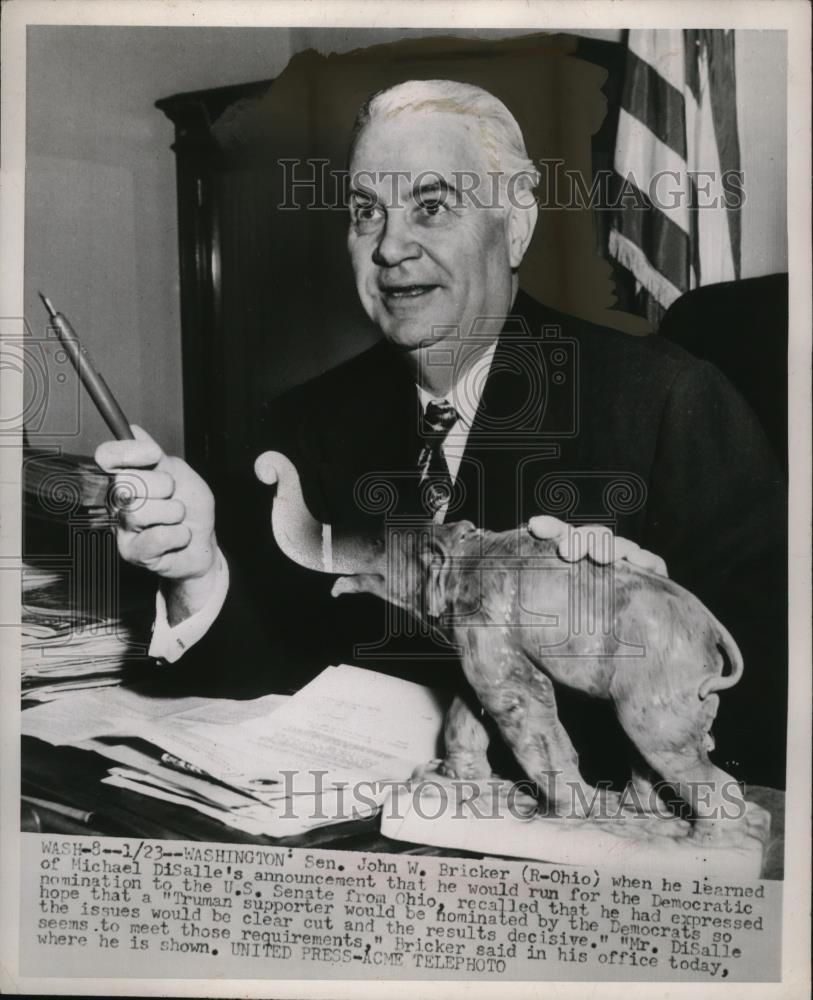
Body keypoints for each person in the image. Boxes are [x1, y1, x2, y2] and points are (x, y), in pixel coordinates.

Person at [96, 80, 786, 790]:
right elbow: (258, 677)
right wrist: (196, 572)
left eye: (431, 206)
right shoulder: (302, 423)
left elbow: (773, 702)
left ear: (514, 224)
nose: (391, 246)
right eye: (366, 213)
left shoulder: (666, 402)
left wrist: (638, 624)